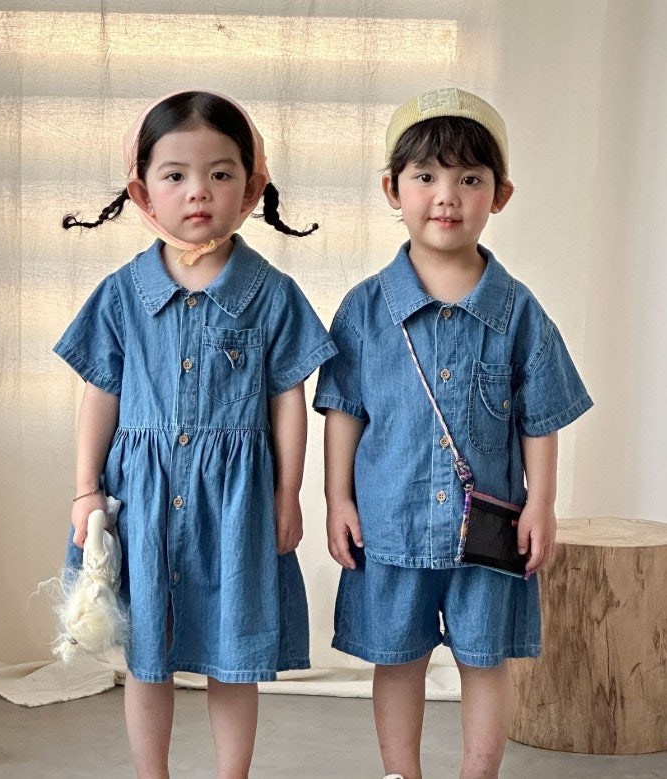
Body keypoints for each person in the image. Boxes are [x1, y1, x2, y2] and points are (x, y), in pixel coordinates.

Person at [54, 90, 336, 779]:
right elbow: (101, 394)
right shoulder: (122, 293)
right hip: (142, 504)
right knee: (145, 659)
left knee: (232, 660)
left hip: (236, 507)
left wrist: (288, 494)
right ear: (142, 190)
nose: (198, 191)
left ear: (252, 188)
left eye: (220, 173)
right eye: (175, 174)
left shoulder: (273, 294)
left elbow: (288, 400)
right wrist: (86, 490)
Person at [313, 87, 592, 779]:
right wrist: (337, 499)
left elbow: (540, 417)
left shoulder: (520, 312)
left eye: (470, 178)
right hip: (390, 524)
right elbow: (344, 409)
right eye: (426, 176)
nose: (446, 196)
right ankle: (399, 773)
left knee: (485, 658)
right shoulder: (364, 309)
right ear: (392, 188)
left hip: (490, 534)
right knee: (397, 658)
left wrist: (542, 503)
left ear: (500, 195)